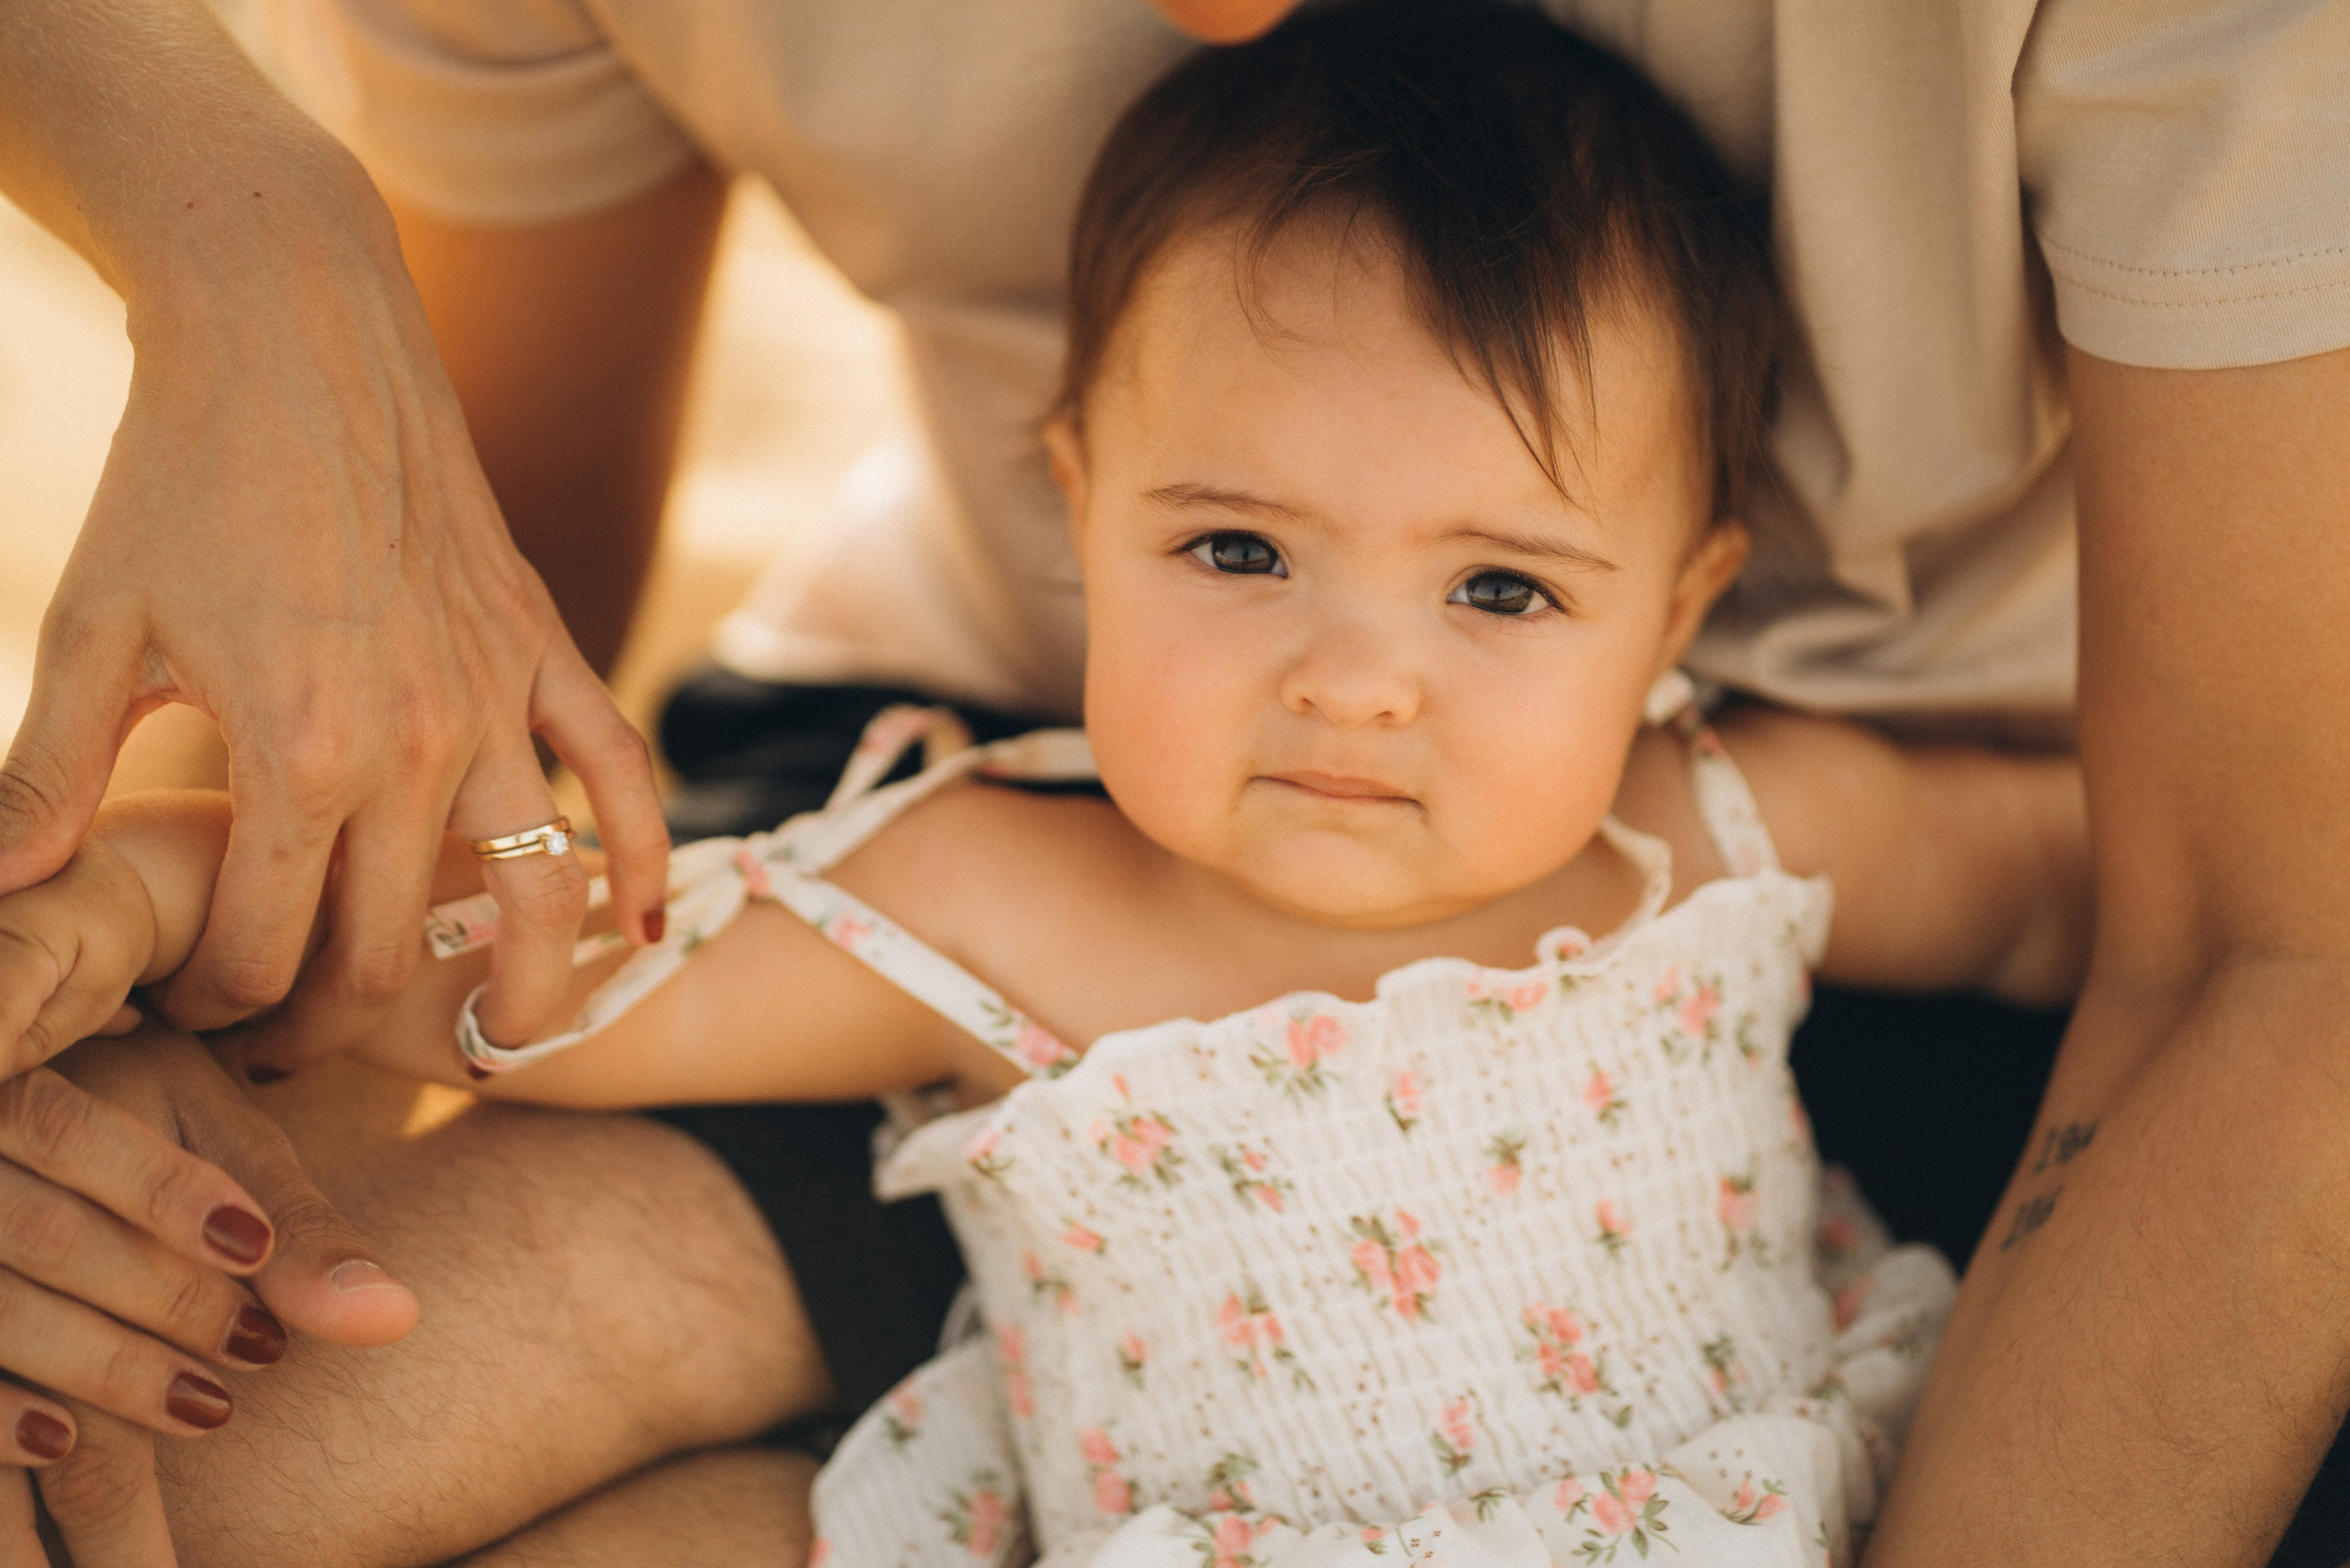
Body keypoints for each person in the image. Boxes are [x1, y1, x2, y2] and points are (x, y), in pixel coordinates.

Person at [1, 0, 2346, 1564]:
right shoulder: (990, 894)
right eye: (1235, 551)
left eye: (1499, 590)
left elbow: (2149, 900)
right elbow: (523, 963)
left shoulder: (1721, 834)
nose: (1357, 680)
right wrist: (144, 897)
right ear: (1079, 502)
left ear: (1678, 608)